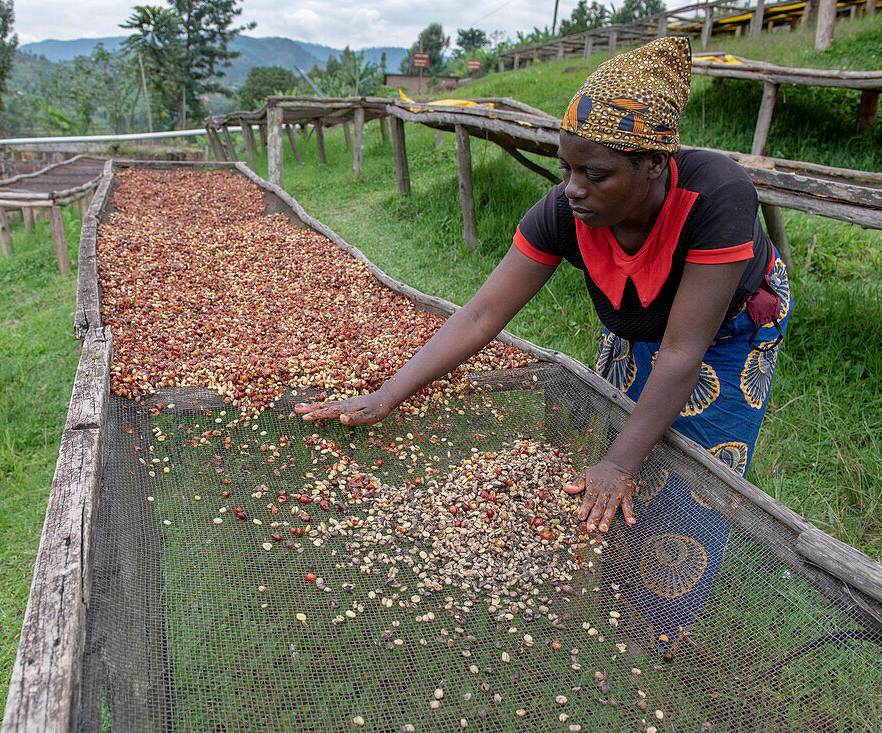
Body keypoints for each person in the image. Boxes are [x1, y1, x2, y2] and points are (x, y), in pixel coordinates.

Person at [295, 36, 792, 653]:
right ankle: (613, 589)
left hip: (723, 334)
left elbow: (684, 354)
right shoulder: (566, 213)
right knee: (624, 431)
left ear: (656, 164)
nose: (574, 187)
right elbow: (479, 316)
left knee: (684, 464)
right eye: (567, 169)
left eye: (596, 173)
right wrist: (387, 394)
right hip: (639, 321)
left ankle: (654, 632)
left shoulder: (715, 195)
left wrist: (619, 466)